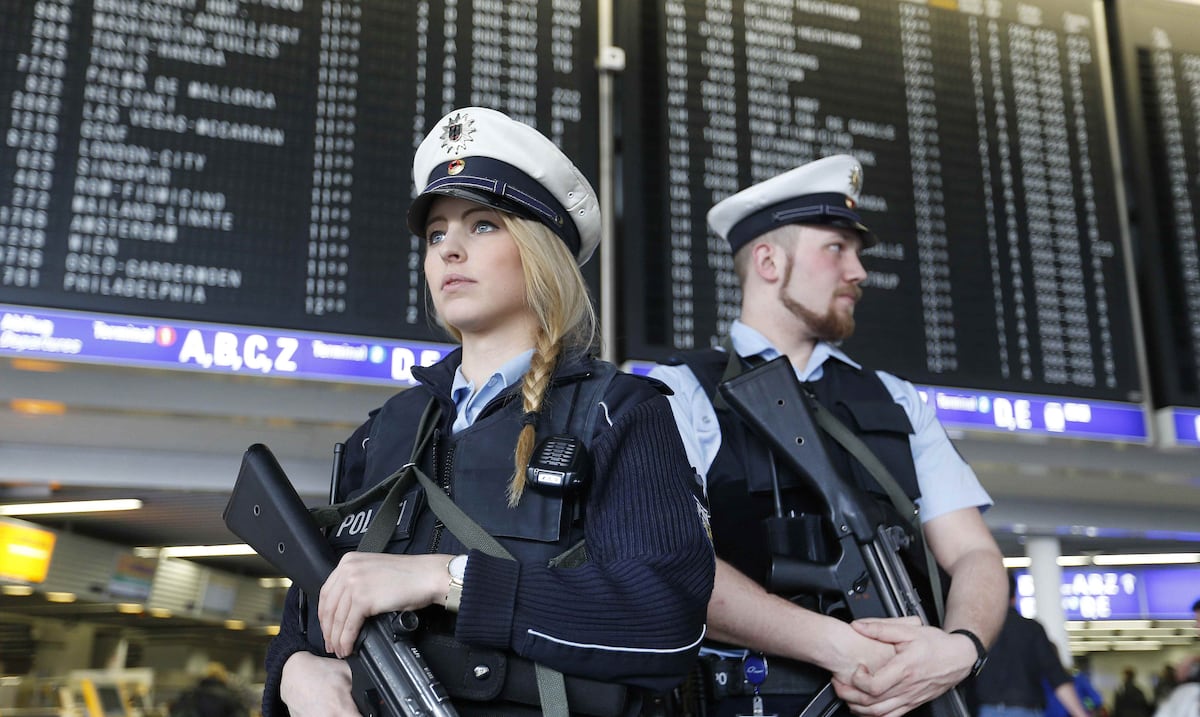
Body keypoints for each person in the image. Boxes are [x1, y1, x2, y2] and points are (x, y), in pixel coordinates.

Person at [261, 107, 715, 716]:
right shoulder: (385, 431)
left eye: (481, 226)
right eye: (436, 235)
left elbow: (664, 622)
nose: (449, 249)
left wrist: (444, 579)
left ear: (539, 253)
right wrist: (294, 672)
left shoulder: (618, 413)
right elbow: (304, 613)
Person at [649, 154, 1007, 717]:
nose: (859, 272)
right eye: (836, 248)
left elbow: (974, 552)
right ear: (768, 261)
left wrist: (960, 648)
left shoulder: (894, 397)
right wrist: (840, 647)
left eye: (857, 253)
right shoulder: (682, 391)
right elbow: (669, 559)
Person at [975, 574, 1090, 717]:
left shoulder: (979, 630)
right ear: (1014, 598)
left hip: (987, 711)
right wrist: (1080, 713)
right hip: (1026, 710)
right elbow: (1056, 675)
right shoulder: (1032, 629)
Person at [170, 662, 248, 717]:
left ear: (204, 675)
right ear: (223, 677)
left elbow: (178, 713)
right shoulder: (232, 697)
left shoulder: (190, 696)